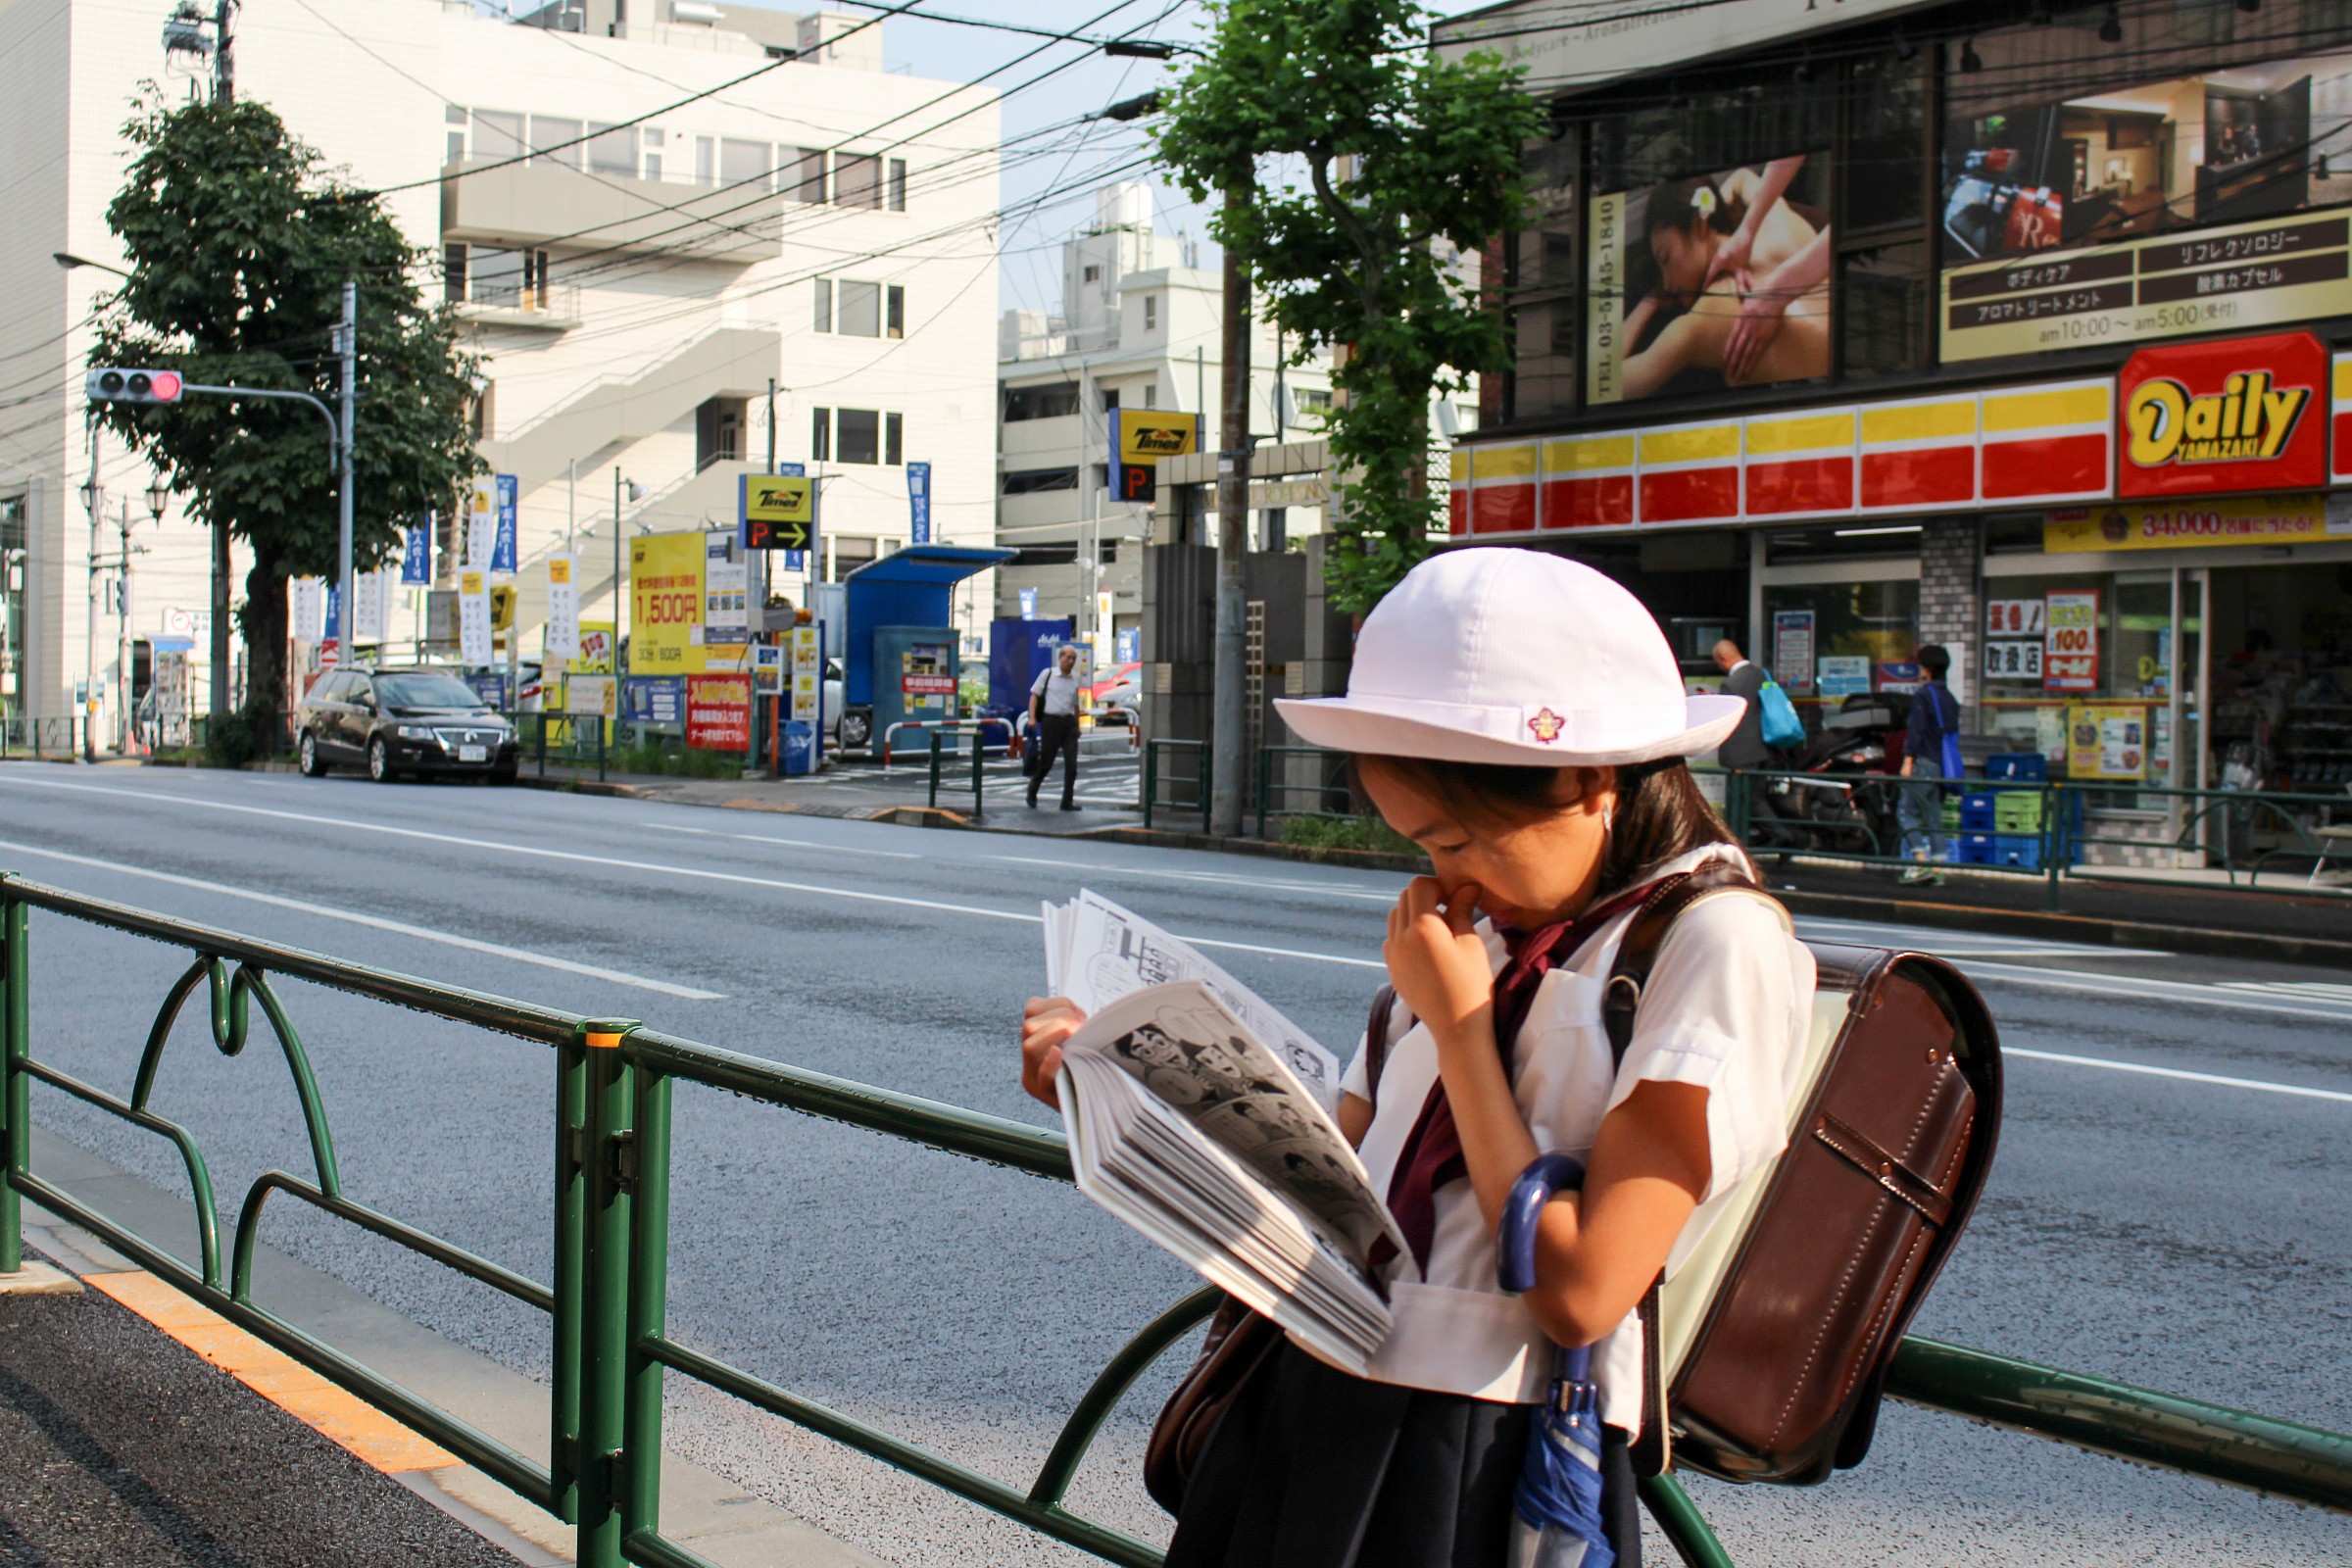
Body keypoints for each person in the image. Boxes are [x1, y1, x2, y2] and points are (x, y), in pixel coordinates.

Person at [1019, 549, 1814, 1568]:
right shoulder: (1478, 938)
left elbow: (1582, 1287)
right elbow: (1334, 1178)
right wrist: (1113, 1090)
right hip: (1303, 1393)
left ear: (1588, 779)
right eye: (1421, 846)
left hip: (1472, 1444)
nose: (1448, 880)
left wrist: (1461, 1030)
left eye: (1459, 839)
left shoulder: (1714, 940)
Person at [1617, 159, 1833, 401]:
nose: (1666, 283)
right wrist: (1739, 230)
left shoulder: (1702, 320)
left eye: (1665, 258)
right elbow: (1742, 176)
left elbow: (1607, 383)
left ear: (1698, 225)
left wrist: (1650, 300)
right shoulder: (1776, 224)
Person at [1897, 644, 1959, 884]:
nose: (1919, 669)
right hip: (1942, 764)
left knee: (1905, 811)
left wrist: (1907, 761)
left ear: (1928, 669)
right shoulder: (1949, 698)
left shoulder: (1924, 696)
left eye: (1921, 665)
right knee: (1933, 816)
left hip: (1923, 762)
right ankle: (1938, 868)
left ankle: (1920, 863)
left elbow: (1916, 731)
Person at [1027, 643, 1082, 810]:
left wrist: (1078, 725)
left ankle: (1067, 801)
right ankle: (1032, 789)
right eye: (1068, 657)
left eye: (1073, 658)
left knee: (1072, 765)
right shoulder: (1048, 674)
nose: (1070, 661)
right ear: (1060, 658)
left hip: (1069, 723)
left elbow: (1075, 704)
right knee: (1046, 762)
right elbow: (1034, 696)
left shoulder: (1075, 678)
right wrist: (1032, 717)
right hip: (1051, 722)